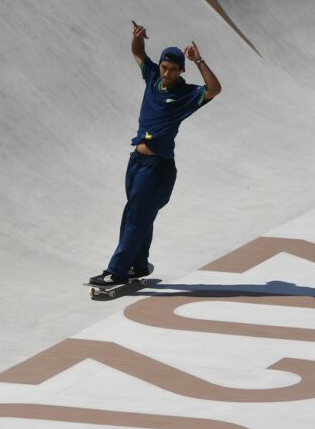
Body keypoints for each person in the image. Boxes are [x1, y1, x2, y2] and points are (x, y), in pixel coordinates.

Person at [90, 21, 222, 286]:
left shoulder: (186, 94)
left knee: (135, 216)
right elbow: (138, 53)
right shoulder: (152, 78)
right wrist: (138, 37)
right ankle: (139, 264)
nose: (166, 73)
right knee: (139, 214)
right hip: (137, 162)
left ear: (181, 70)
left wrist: (199, 61)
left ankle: (116, 271)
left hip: (157, 167)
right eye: (164, 67)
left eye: (172, 69)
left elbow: (214, 89)